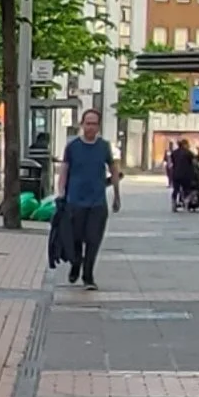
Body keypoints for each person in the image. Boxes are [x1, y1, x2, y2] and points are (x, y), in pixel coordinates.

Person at [58, 106, 118, 287]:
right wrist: (61, 194)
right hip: (75, 201)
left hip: (97, 203)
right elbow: (64, 172)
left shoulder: (104, 147)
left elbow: (114, 170)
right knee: (75, 239)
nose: (91, 127)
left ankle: (88, 276)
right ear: (82, 125)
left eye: (94, 124)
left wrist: (117, 195)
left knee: (93, 240)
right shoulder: (73, 147)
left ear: (99, 126)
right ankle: (76, 264)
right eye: (88, 123)